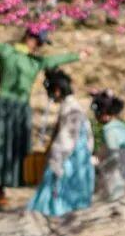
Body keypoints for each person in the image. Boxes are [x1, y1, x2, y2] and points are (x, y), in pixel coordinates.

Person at [0, 24, 78, 207]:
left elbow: (54, 60)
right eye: (38, 42)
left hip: (19, 108)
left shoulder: (31, 60)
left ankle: (1, 186)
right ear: (30, 38)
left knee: (12, 148)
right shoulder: (10, 53)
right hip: (7, 105)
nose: (38, 46)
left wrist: (78, 55)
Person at [29, 69, 95, 217]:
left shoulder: (71, 109)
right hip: (79, 159)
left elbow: (67, 139)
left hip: (71, 160)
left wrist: (55, 159)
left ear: (57, 90)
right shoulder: (73, 106)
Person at [92, 90, 125, 202]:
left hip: (118, 181)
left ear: (104, 113)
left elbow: (113, 158)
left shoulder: (109, 130)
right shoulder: (122, 127)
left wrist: (97, 165)